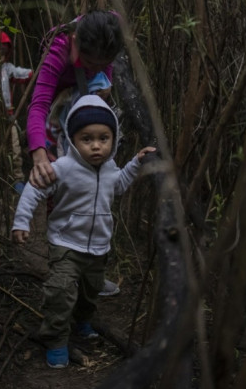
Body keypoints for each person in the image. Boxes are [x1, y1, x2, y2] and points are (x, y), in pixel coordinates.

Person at [11, 94, 156, 368]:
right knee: (61, 290)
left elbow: (120, 185)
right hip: (65, 243)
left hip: (99, 246)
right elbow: (34, 188)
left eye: (103, 138)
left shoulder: (111, 167)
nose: (96, 146)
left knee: (90, 291)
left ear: (113, 140)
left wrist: (136, 162)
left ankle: (83, 321)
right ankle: (55, 340)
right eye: (87, 139)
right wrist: (21, 221)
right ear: (73, 139)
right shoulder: (64, 167)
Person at [26, 10, 124, 296]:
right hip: (57, 123)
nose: (94, 67)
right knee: (58, 190)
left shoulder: (110, 29)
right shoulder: (58, 51)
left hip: (87, 118)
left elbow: (106, 65)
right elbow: (39, 104)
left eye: (101, 64)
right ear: (74, 41)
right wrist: (39, 153)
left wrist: (104, 81)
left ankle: (91, 270)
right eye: (88, 62)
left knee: (98, 184)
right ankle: (63, 267)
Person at [0, 31, 33, 193]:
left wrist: (37, 71)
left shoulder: (7, 68)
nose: (2, 54)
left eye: (5, 50)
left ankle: (17, 179)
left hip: (8, 116)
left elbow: (22, 73)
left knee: (15, 148)